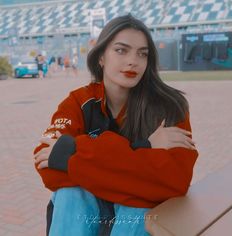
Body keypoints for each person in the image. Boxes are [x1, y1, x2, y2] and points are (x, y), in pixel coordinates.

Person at [34, 14, 198, 236]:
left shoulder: (169, 106)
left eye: (142, 53)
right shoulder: (78, 102)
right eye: (121, 50)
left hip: (138, 214)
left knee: (137, 208)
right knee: (70, 195)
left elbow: (175, 180)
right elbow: (49, 168)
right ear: (101, 56)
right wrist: (143, 148)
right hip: (89, 209)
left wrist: (73, 154)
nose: (133, 61)